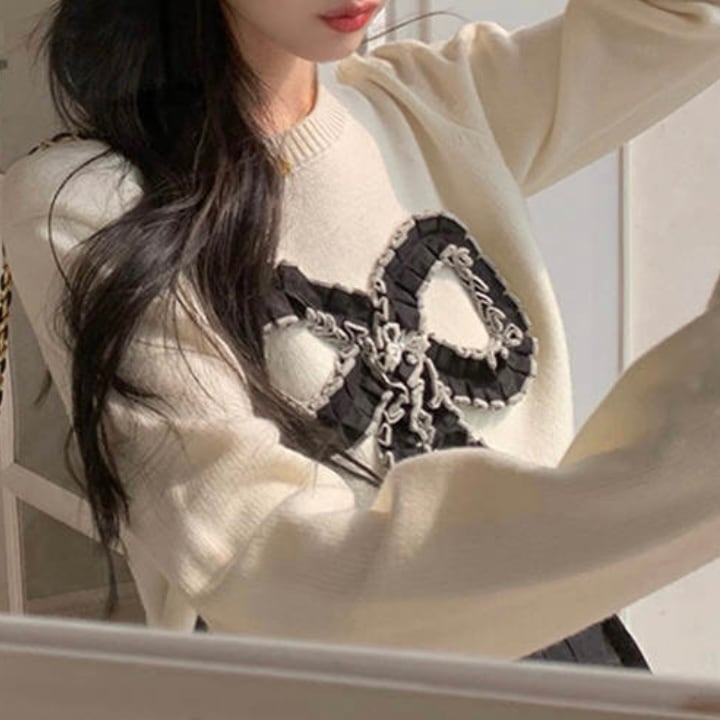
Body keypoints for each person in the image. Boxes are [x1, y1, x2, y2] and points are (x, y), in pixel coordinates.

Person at [2, 0, 720, 670]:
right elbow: (278, 576)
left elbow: (688, 18)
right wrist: (685, 455)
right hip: (345, 683)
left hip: (569, 643)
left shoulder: (435, 104)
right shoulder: (90, 204)